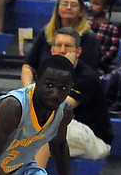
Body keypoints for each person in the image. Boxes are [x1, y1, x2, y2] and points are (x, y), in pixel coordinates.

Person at [39, 27, 112, 163]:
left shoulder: (86, 77)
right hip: (68, 128)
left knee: (47, 127)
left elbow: (57, 105)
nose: (62, 50)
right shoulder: (46, 72)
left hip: (95, 139)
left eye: (68, 46)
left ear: (78, 51)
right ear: (52, 50)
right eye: (58, 45)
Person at [22, 0, 101, 87]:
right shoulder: (46, 32)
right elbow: (28, 67)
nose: (68, 7)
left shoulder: (89, 37)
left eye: (73, 5)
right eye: (64, 4)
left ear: (81, 11)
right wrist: (28, 92)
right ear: (57, 9)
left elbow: (88, 74)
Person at [89, 0, 121, 76]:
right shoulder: (85, 23)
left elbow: (112, 52)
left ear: (106, 7)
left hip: (102, 68)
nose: (91, 5)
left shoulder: (112, 28)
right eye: (90, 2)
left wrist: (97, 60)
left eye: (95, 3)